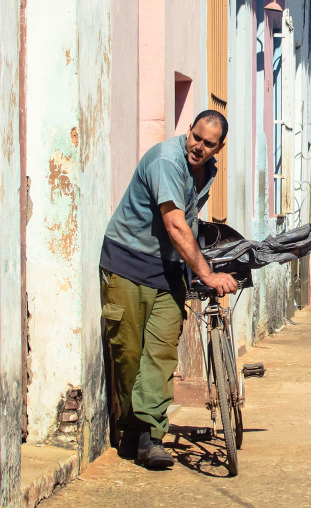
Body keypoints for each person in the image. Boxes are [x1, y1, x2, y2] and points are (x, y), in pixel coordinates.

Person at [99, 110, 237, 469]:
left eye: (208, 144)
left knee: (160, 353)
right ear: (188, 131)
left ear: (219, 147)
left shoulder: (206, 170)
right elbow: (175, 225)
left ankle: (150, 437)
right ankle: (132, 430)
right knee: (128, 353)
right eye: (195, 137)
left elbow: (188, 222)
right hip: (127, 262)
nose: (198, 147)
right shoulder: (165, 160)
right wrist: (205, 273)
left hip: (169, 271)